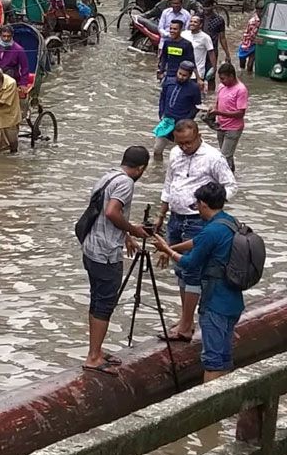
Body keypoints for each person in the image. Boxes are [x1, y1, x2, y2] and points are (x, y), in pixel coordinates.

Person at [155, 120, 237, 342]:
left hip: (198, 220)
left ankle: (185, 325)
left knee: (192, 270)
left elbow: (230, 185)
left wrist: (211, 204)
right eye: (181, 143)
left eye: (189, 143)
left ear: (198, 135)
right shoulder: (174, 154)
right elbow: (168, 183)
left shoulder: (213, 157)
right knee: (180, 269)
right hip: (176, 216)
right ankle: (186, 319)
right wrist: (161, 215)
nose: (185, 147)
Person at [152, 181, 242, 381]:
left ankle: (211, 407)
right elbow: (198, 242)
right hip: (233, 300)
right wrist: (172, 246)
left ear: (202, 204)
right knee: (224, 356)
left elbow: (190, 263)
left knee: (212, 360)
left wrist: (168, 251)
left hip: (215, 303)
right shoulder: (229, 222)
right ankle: (225, 401)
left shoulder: (211, 231)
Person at [80, 146, 151, 376]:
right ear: (141, 168)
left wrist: (126, 236)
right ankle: (93, 357)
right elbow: (111, 212)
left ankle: (96, 349)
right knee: (105, 303)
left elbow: (102, 212)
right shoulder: (126, 183)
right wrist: (133, 229)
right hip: (106, 253)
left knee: (97, 299)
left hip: (91, 246)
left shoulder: (108, 176)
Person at [153, 62, 202, 160]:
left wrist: (187, 120)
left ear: (190, 75)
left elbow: (197, 107)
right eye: (179, 73)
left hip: (182, 126)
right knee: (157, 149)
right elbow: (162, 98)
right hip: (166, 122)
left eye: (184, 75)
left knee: (181, 153)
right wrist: (161, 113)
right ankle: (158, 169)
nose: (181, 77)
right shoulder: (168, 82)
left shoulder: (194, 88)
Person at [210, 62, 248, 171]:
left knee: (223, 157)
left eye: (223, 79)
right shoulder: (222, 86)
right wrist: (212, 109)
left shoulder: (241, 90)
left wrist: (219, 113)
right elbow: (218, 102)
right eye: (220, 79)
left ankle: (224, 181)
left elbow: (240, 113)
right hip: (221, 126)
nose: (221, 81)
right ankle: (232, 176)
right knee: (227, 156)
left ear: (231, 76)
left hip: (233, 129)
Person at [183, 15, 215, 91]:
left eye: (195, 22)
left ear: (200, 25)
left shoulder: (205, 37)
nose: (192, 23)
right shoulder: (184, 34)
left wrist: (214, 68)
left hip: (198, 71)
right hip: (183, 70)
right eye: (191, 21)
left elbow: (211, 52)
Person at [199, 0, 230, 64]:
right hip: (198, 50)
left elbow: (222, 38)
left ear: (212, 6)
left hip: (212, 51)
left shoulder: (219, 20)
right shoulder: (197, 17)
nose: (205, 9)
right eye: (203, 6)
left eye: (207, 6)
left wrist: (227, 54)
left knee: (211, 72)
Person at [237, 9, 260, 74]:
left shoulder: (265, 19)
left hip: (255, 44)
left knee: (250, 65)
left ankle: (248, 78)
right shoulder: (253, 21)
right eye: (259, 11)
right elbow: (250, 35)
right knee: (242, 64)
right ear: (257, 11)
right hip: (247, 42)